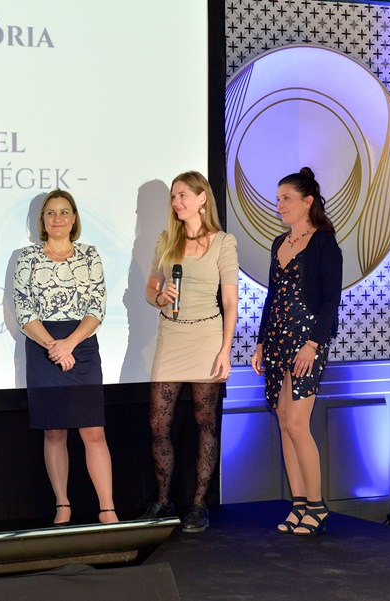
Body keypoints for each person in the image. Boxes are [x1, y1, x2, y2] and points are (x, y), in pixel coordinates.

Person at [12, 189, 119, 526]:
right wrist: (53, 347)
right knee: (54, 431)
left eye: (64, 212)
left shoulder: (90, 254)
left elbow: (97, 307)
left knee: (93, 431)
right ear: (42, 220)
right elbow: (23, 309)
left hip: (81, 345)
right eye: (51, 213)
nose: (57, 218)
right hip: (42, 345)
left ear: (74, 219)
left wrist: (69, 344)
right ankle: (62, 505)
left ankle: (107, 509)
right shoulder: (27, 257)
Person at [140, 171, 239, 533]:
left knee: (205, 422)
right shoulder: (166, 239)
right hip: (171, 334)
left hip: (207, 337)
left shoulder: (223, 242)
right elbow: (151, 288)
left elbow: (230, 301)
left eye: (182, 195)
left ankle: (198, 505)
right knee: (158, 424)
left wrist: (226, 350)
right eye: (173, 196)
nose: (176, 202)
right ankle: (163, 501)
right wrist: (159, 296)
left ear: (202, 198)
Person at [250, 167, 342, 536]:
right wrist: (260, 341)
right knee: (285, 422)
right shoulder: (279, 243)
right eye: (278, 199)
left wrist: (313, 344)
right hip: (276, 340)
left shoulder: (324, 243)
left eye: (286, 198)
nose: (280, 205)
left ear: (308, 202)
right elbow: (272, 297)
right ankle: (299, 503)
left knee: (298, 424)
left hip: (307, 341)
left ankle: (317, 506)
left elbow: (330, 301)